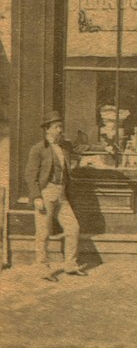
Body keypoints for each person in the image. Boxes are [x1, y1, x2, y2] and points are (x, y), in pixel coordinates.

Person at [25, 110, 86, 282]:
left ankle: (70, 265)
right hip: (46, 194)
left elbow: (82, 148)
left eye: (61, 126)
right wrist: (36, 196)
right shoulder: (38, 149)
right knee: (43, 233)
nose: (60, 130)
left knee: (73, 228)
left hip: (62, 194)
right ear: (48, 129)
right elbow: (30, 175)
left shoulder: (65, 146)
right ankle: (42, 268)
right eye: (57, 127)